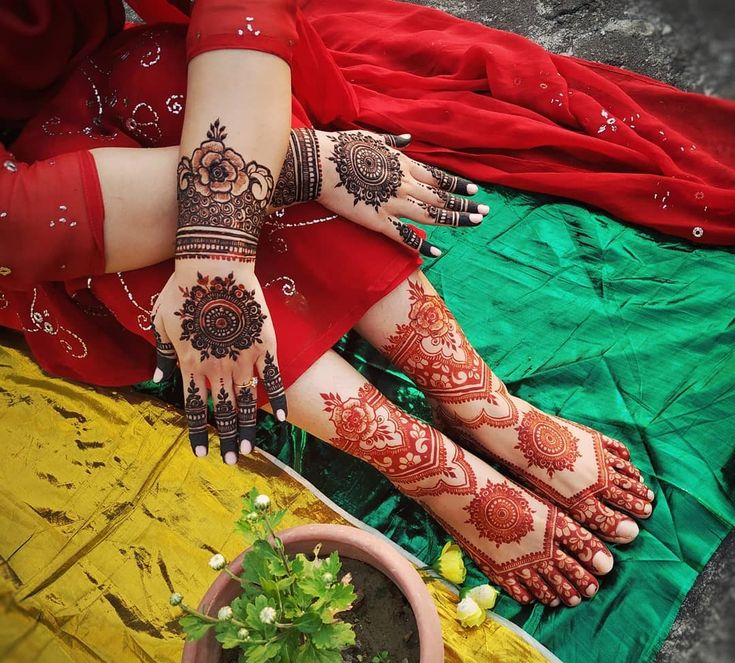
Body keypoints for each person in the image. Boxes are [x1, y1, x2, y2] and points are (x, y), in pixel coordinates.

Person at [0, 0, 657, 609]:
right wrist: (305, 166)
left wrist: (217, 249)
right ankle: (420, 460)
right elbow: (18, 222)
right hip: (28, 217)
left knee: (175, 83)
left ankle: (476, 400)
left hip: (131, 76)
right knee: (175, 217)